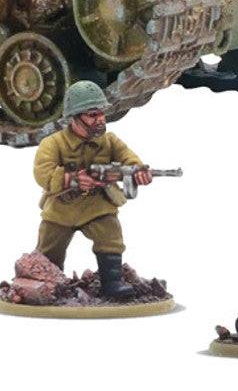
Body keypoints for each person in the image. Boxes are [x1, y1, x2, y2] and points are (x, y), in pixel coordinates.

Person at [31, 80, 152, 299]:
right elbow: (42, 172)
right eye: (92, 115)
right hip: (61, 208)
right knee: (49, 248)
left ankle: (111, 284)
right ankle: (51, 286)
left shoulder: (110, 141)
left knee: (111, 237)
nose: (100, 119)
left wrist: (138, 170)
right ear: (74, 117)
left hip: (97, 204)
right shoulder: (53, 143)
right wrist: (73, 179)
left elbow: (128, 158)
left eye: (101, 114)